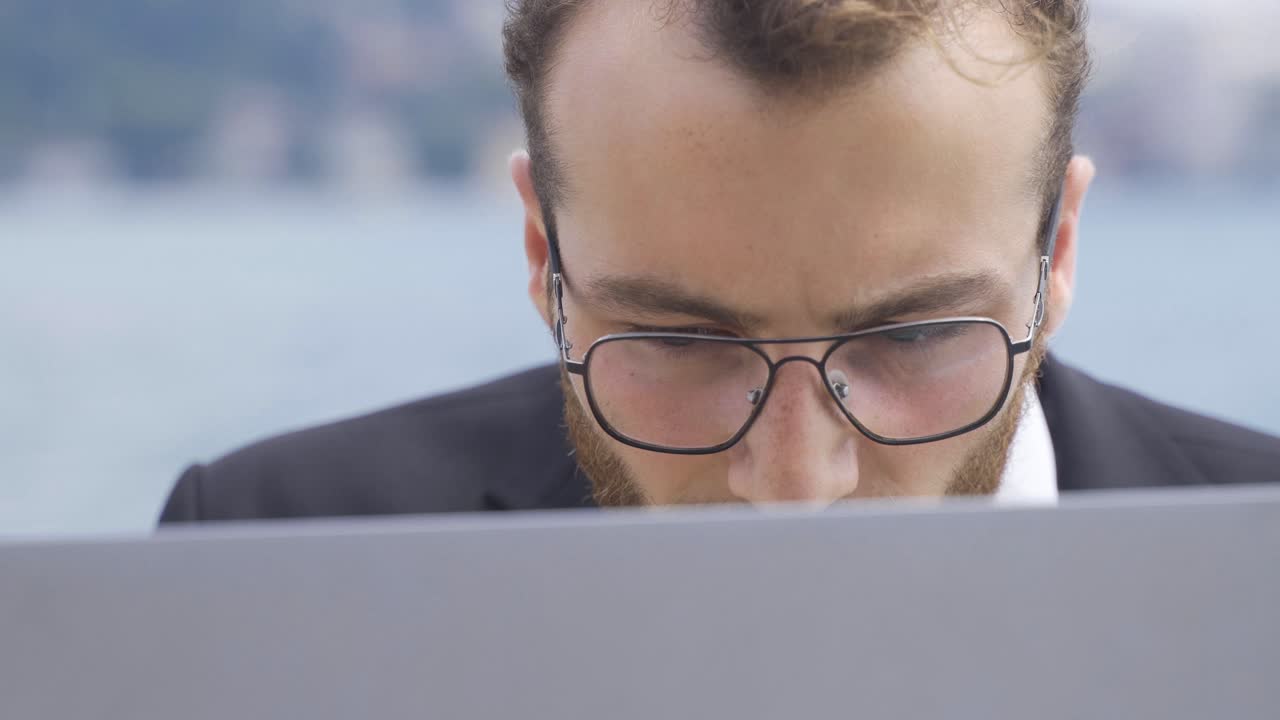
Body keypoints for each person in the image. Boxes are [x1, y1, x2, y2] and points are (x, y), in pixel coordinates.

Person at [160, 0, 1280, 524]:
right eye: (675, 341)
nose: (795, 490)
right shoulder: (266, 541)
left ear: (1057, 255)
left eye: (914, 336)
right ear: (541, 253)